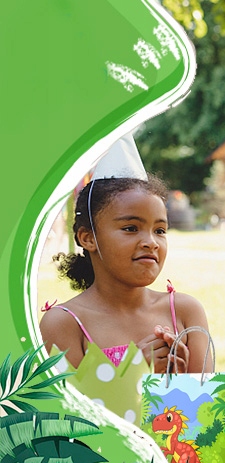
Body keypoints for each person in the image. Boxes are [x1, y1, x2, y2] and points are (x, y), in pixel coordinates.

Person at [41, 134, 210, 374]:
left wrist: (181, 377)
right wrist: (134, 371)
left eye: (160, 230)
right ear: (88, 238)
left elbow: (208, 397)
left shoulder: (184, 312)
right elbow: (63, 400)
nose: (151, 242)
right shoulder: (65, 323)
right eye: (130, 228)